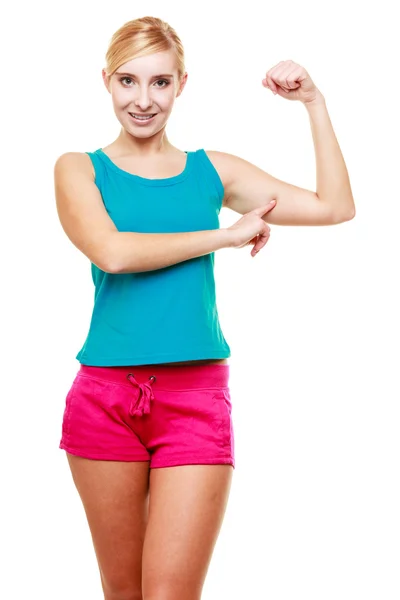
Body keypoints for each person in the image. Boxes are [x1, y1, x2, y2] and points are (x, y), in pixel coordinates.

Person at [54, 15, 355, 600]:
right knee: (123, 593)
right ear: (106, 82)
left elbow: (334, 207)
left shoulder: (211, 172)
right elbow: (113, 254)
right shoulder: (77, 168)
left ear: (182, 84)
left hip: (193, 398)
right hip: (105, 399)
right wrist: (225, 235)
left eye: (160, 83)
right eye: (128, 82)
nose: (143, 100)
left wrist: (314, 104)